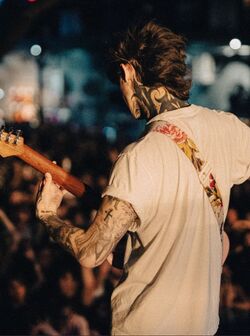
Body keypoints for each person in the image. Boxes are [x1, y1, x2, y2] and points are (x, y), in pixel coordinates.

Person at [36, 21, 250, 335]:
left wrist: (47, 215)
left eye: (119, 81)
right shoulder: (228, 128)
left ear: (129, 71)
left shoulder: (138, 158)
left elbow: (91, 252)